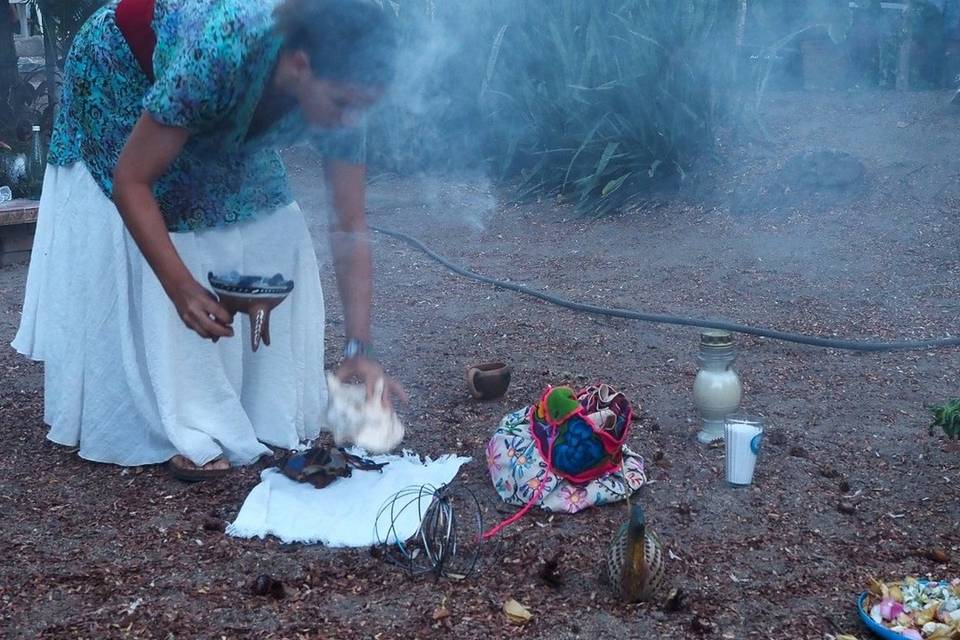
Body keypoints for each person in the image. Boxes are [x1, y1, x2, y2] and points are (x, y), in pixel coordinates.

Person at [11, 0, 405, 481]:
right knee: (177, 214)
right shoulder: (221, 52)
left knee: (275, 221)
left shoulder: (343, 87)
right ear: (301, 66)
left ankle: (259, 409)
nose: (350, 123)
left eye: (363, 108)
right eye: (343, 105)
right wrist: (181, 289)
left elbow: (349, 224)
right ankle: (189, 425)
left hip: (232, 91)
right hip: (124, 61)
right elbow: (131, 183)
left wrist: (356, 349)